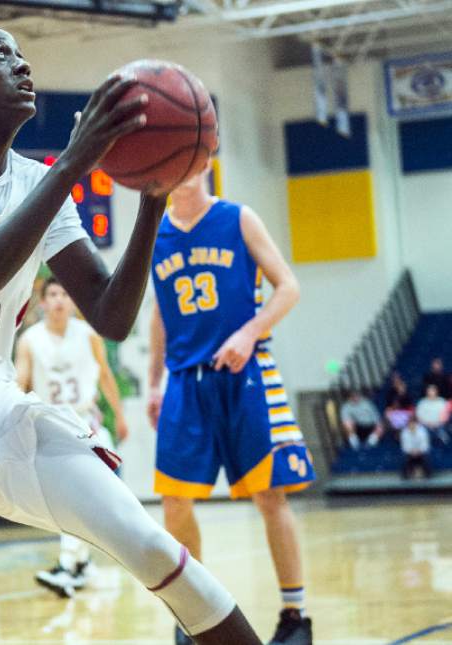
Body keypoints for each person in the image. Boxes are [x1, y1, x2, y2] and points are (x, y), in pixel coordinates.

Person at [0, 26, 260, 645]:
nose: (22, 65)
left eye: (21, 53)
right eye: (0, 55)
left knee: (150, 544)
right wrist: (74, 165)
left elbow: (111, 317)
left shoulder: (39, 184)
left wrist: (152, 202)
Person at [147, 163, 314, 645]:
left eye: (191, 158)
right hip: (185, 381)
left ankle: (295, 615)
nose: (183, 169)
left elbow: (288, 287)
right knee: (174, 502)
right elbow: (159, 312)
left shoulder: (239, 218)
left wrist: (249, 332)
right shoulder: (156, 236)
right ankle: (194, 615)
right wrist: (155, 382)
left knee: (270, 496)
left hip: (245, 375)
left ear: (205, 163)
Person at [16, 276, 129, 598]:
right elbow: (20, 382)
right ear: (42, 301)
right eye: (53, 294)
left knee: (79, 497)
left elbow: (106, 376)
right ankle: (81, 562)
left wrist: (119, 414)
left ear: (72, 301)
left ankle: (68, 566)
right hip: (50, 425)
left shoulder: (88, 334)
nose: (59, 300)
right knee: (72, 503)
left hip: (87, 423)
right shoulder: (30, 340)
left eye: (65, 293)